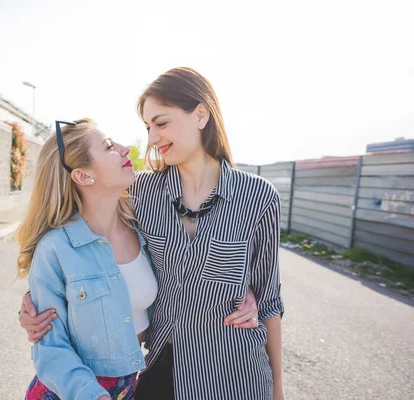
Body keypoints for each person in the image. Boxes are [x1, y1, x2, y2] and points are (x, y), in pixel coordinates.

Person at [21, 67, 284, 400]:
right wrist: (36, 304)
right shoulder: (140, 192)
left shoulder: (259, 196)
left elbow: (270, 301)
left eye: (161, 123)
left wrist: (277, 389)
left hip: (235, 375)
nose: (152, 139)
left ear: (201, 114)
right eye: (148, 127)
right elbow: (86, 243)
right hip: (158, 373)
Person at [16, 119, 158, 400]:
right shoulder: (55, 249)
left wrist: (243, 289)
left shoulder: (147, 227)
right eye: (108, 147)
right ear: (82, 176)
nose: (124, 149)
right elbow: (50, 347)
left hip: (129, 388)